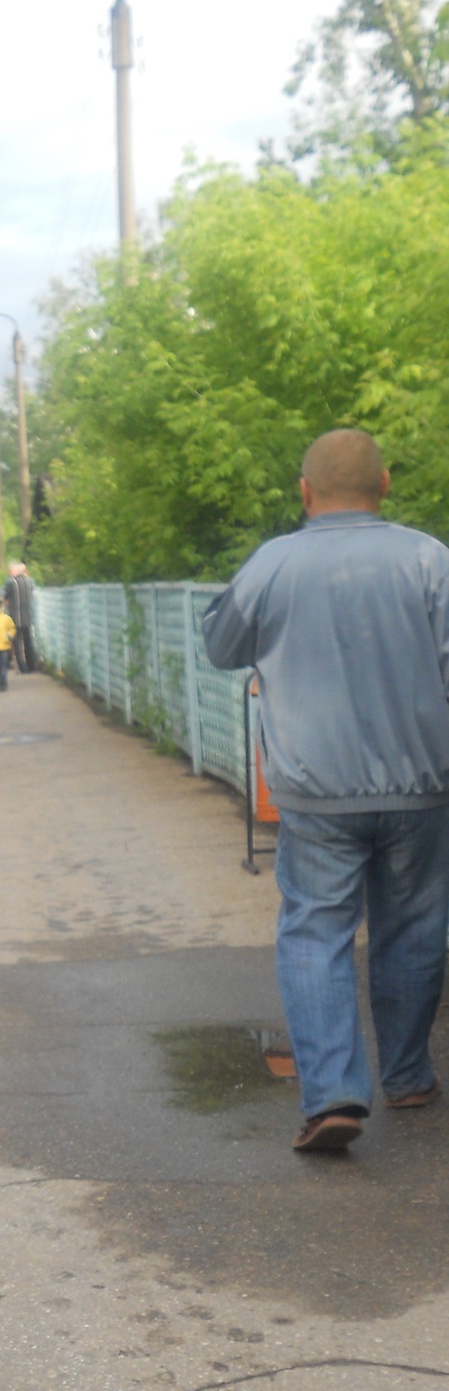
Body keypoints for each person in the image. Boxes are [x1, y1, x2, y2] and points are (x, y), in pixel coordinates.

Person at [203, 427, 449, 1153]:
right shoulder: (430, 559)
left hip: (315, 790)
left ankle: (334, 1095)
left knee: (315, 932)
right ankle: (407, 1076)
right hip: (421, 785)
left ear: (305, 492)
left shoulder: (274, 562)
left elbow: (221, 646)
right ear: (386, 485)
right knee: (413, 929)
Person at [4, 561, 37, 673]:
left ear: (15, 571)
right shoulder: (29, 582)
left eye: (10, 570)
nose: (9, 572)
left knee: (17, 643)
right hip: (27, 616)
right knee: (28, 642)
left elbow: (5, 599)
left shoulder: (11, 583)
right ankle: (31, 665)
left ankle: (22, 667)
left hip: (15, 618)